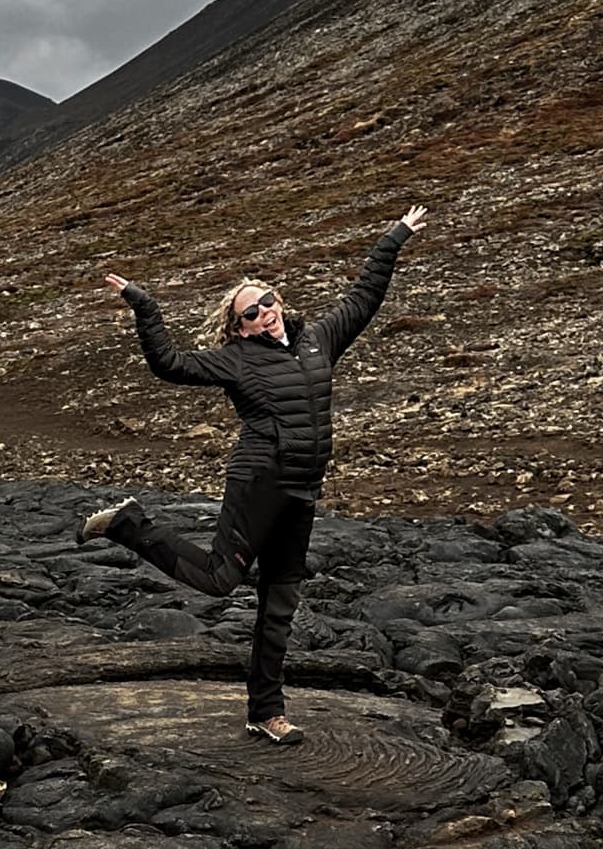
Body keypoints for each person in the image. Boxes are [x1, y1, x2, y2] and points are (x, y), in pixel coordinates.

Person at [79, 205, 429, 746]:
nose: (262, 312)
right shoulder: (235, 360)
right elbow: (168, 363)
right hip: (259, 483)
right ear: (237, 326)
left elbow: (365, 297)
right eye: (249, 312)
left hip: (303, 490)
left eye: (267, 300)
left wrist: (393, 238)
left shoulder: (319, 340)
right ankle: (128, 525)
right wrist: (144, 306)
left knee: (280, 603)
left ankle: (266, 711)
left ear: (280, 301)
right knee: (221, 580)